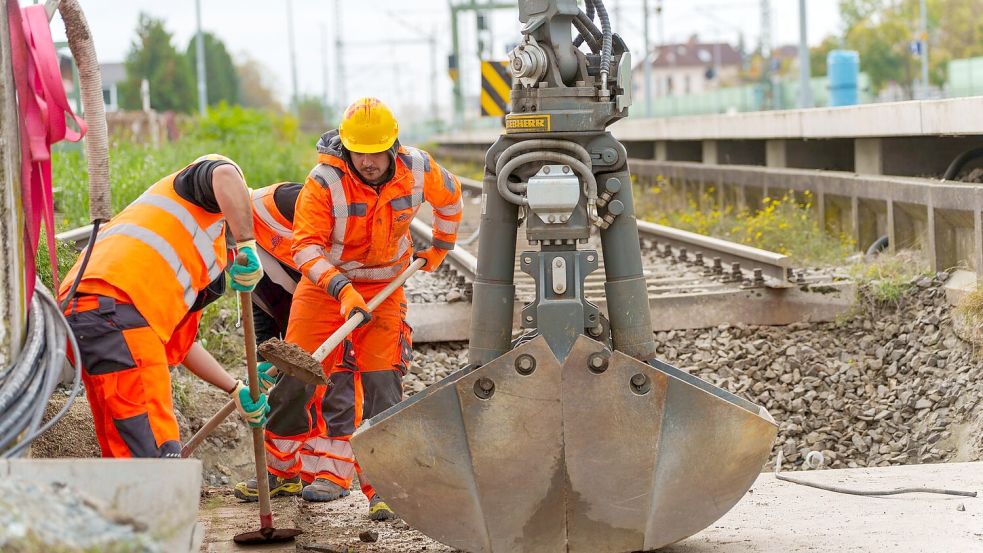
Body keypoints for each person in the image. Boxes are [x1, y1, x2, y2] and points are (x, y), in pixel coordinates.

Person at [233, 97, 463, 521]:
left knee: (382, 386)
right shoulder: (323, 183)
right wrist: (342, 289)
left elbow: (450, 200)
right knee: (294, 380)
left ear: (393, 147)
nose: (369, 161)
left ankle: (386, 487)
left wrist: (442, 246)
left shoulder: (420, 169)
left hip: (385, 288)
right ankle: (281, 470)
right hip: (324, 289)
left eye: (376, 152)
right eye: (360, 151)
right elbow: (304, 248)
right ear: (346, 146)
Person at [58, 154, 270, 458]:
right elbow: (224, 172)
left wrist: (234, 388)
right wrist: (248, 241)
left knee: (125, 451)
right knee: (155, 452)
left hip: (83, 314)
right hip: (118, 312)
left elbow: (182, 347)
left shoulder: (179, 260)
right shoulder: (201, 204)